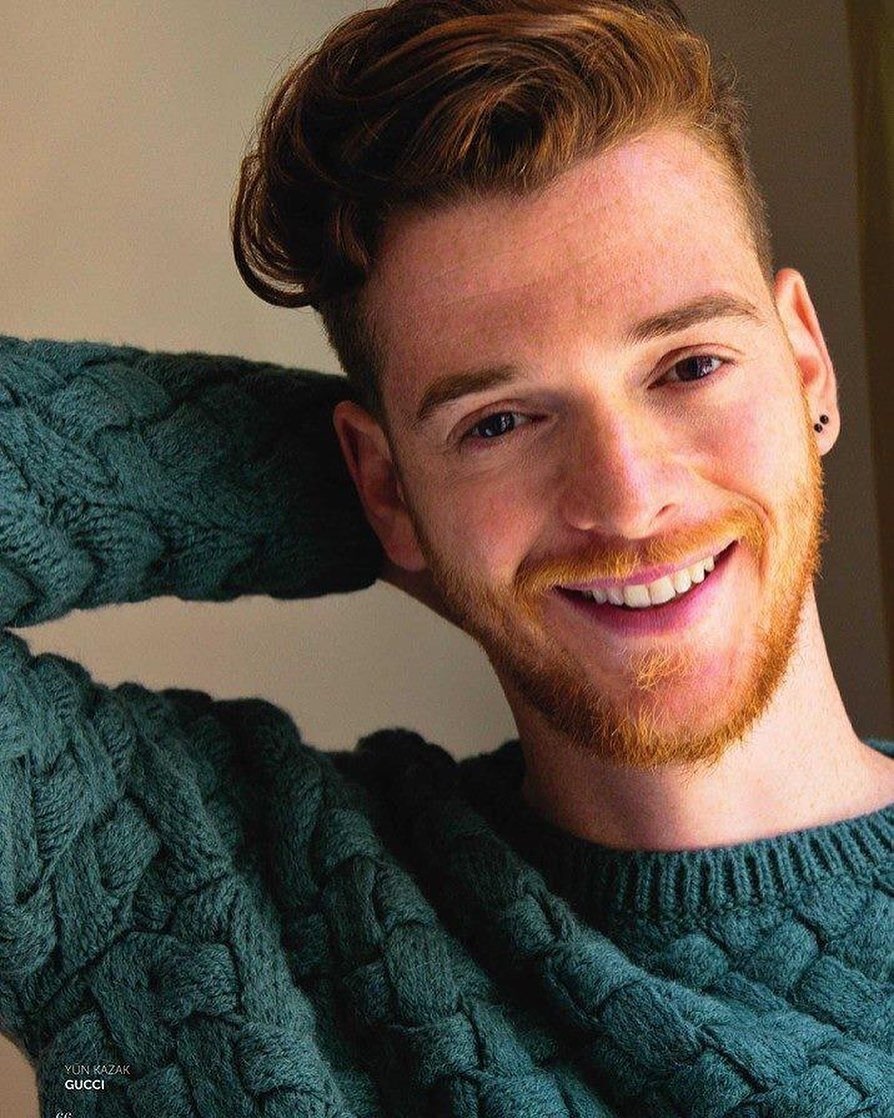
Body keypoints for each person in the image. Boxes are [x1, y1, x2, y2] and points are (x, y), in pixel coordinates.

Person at [0, 2, 891, 1116]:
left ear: (806, 366)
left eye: (690, 365)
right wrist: (393, 513)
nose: (626, 499)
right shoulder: (181, 896)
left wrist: (458, 497)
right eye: (499, 422)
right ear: (380, 483)